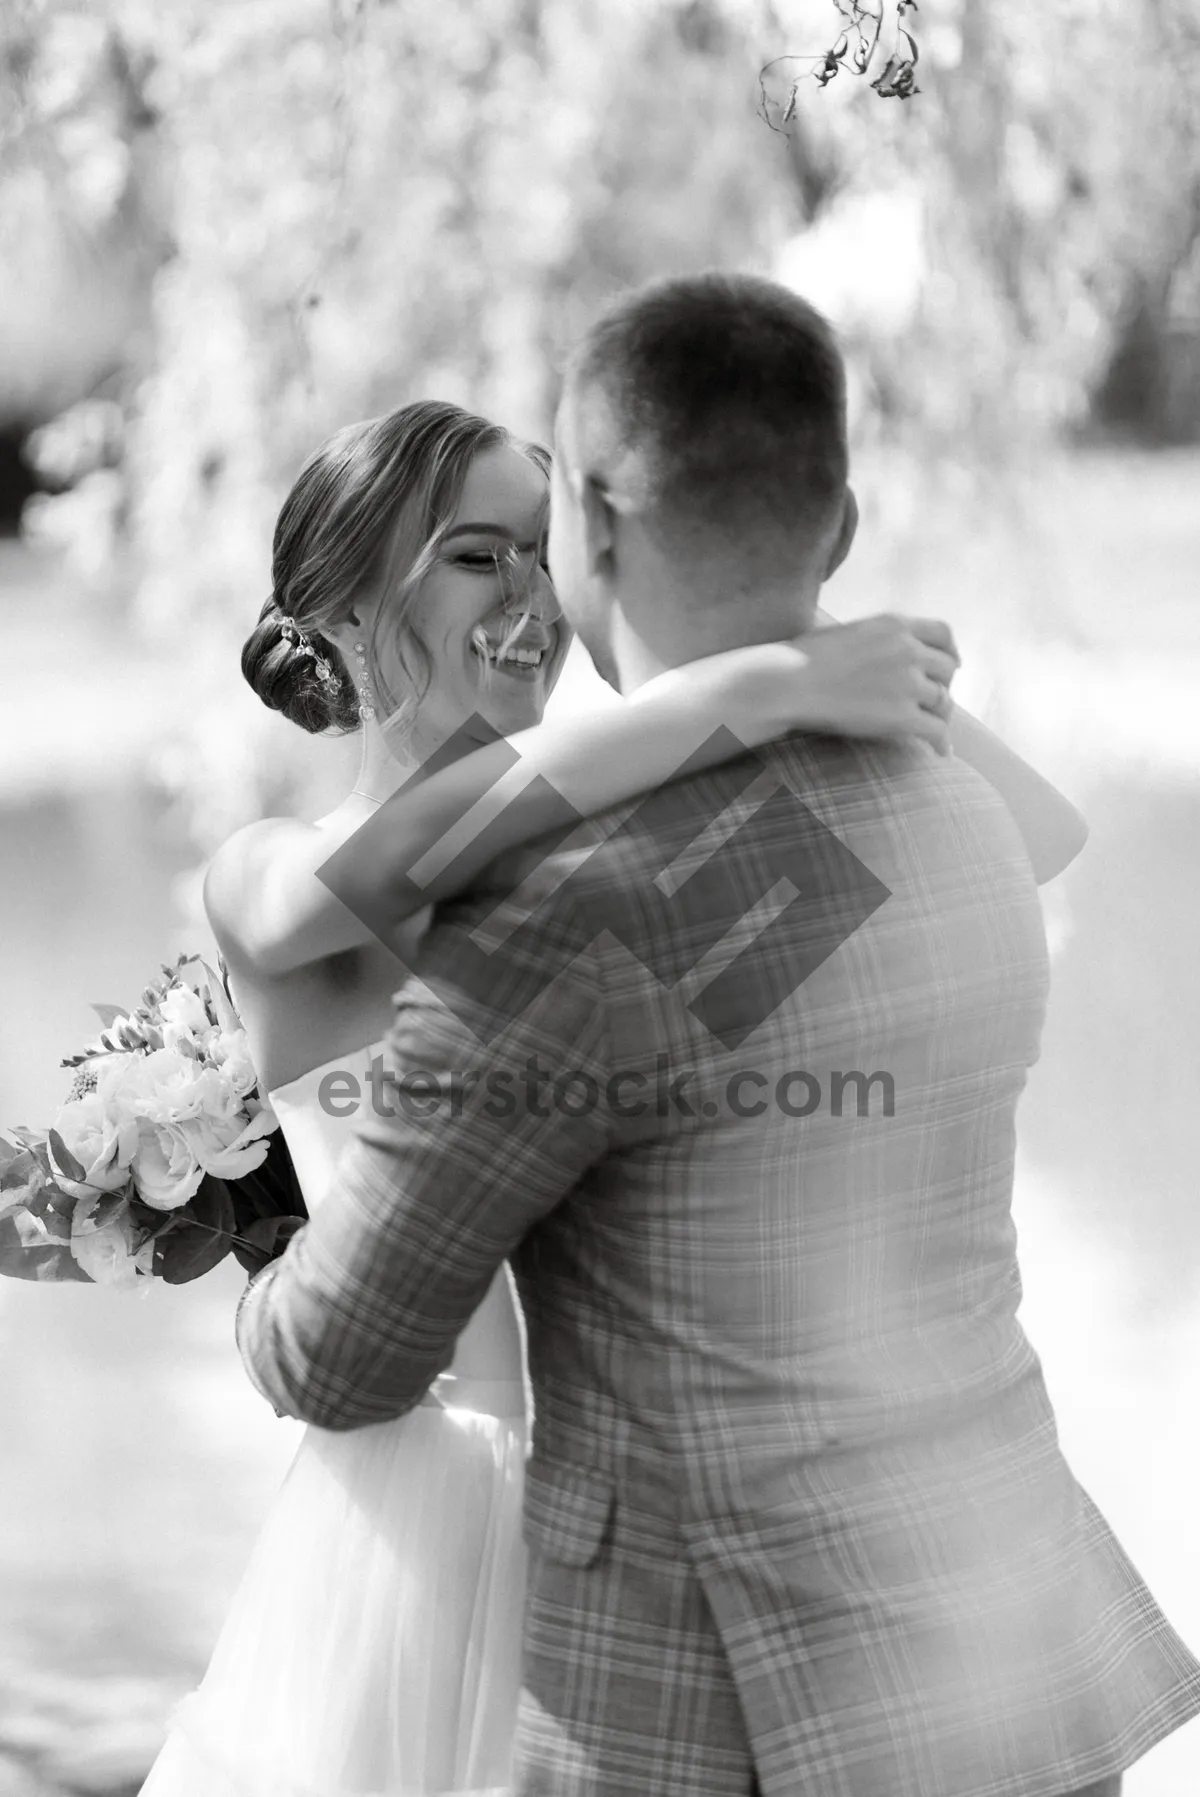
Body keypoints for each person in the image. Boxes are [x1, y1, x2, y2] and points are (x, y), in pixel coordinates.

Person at [233, 274, 1199, 1797]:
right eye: (476, 556)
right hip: (902, 1614)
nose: (532, 594)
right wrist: (780, 658)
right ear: (351, 609)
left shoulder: (581, 881)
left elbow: (345, 1341)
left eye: (539, 541)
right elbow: (376, 882)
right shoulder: (930, 831)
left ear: (597, 537)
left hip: (657, 1613)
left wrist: (784, 642)